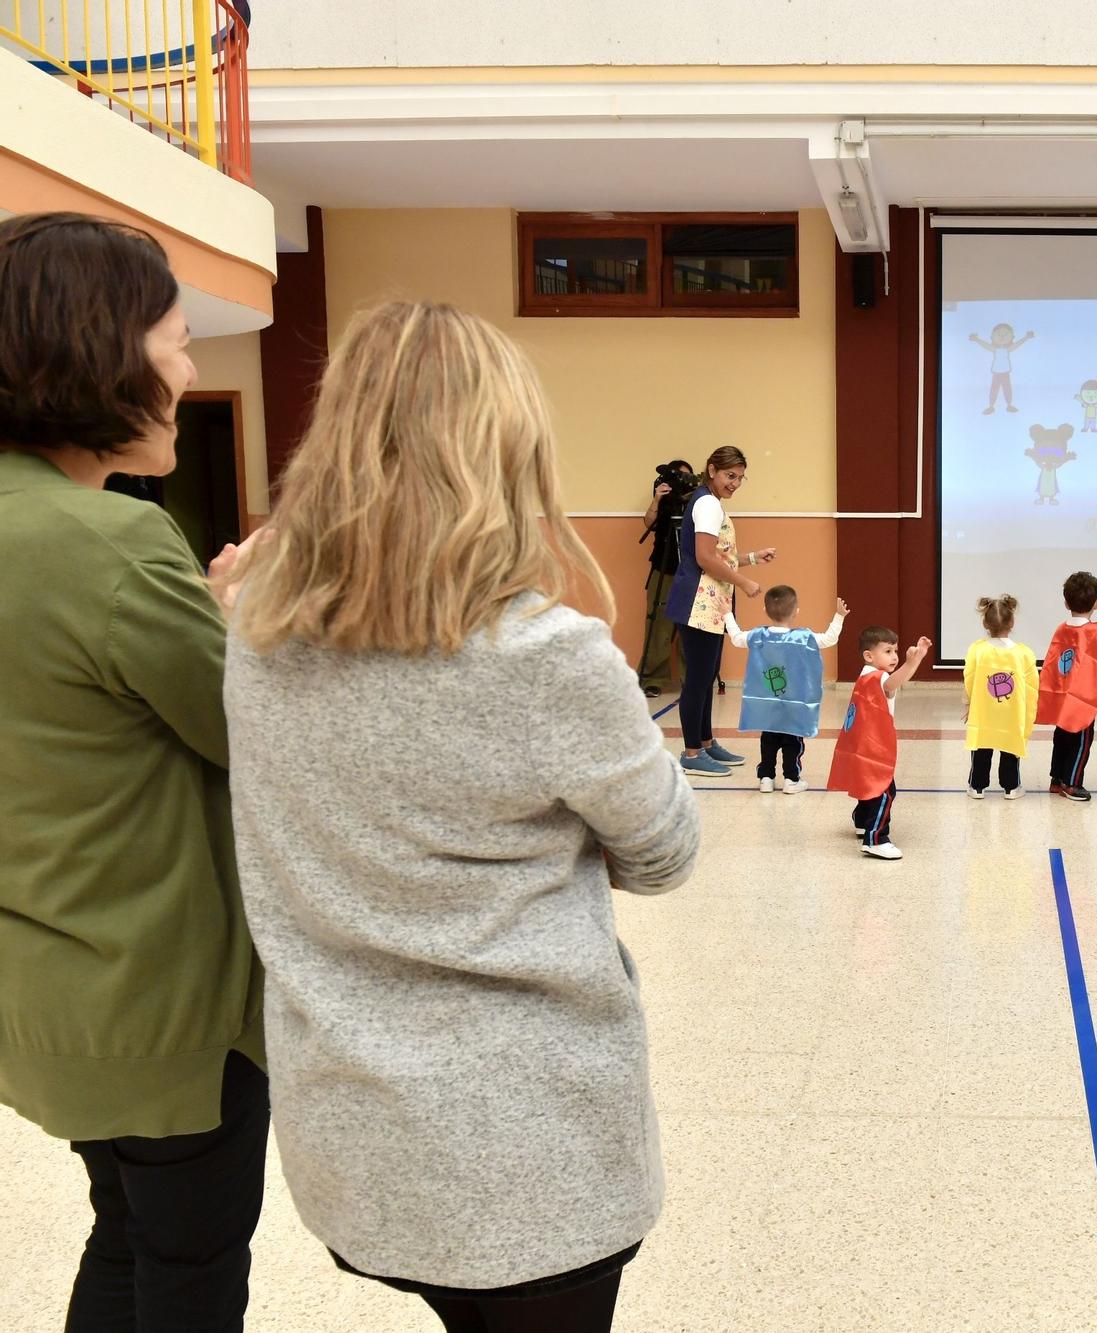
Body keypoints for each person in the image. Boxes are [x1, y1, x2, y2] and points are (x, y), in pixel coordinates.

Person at [225, 301, 700, 1331]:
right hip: (539, 1160)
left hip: (353, 1137)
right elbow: (664, 853)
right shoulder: (550, 657)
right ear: (508, 459)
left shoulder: (256, 636)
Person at [0, 212, 268, 1331]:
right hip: (164, 1005)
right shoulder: (110, 541)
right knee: (191, 1274)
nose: (191, 365)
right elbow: (248, 735)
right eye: (178, 339)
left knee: (127, 1235)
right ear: (104, 347)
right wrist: (244, 619)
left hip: (47, 983)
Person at [663, 445, 778, 776]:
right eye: (730, 476)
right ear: (712, 470)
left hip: (711, 604)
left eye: (740, 478)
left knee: (706, 676)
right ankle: (691, 751)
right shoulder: (708, 504)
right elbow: (705, 558)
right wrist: (744, 582)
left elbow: (719, 555)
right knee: (698, 680)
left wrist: (752, 558)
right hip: (698, 602)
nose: (735, 483)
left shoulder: (708, 501)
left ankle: (707, 742)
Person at [724, 586, 846, 794]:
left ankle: (766, 778)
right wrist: (839, 616)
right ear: (796, 610)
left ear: (765, 610)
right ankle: (791, 779)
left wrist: (727, 613)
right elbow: (829, 638)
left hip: (767, 707)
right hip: (794, 707)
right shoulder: (803, 638)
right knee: (792, 741)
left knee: (768, 740)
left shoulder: (759, 636)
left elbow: (735, 637)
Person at [829, 626, 931, 861]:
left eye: (895, 650)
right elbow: (893, 682)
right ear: (869, 656)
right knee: (884, 791)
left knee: (868, 787)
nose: (894, 656)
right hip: (873, 747)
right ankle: (876, 839)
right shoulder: (879, 676)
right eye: (887, 651)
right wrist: (913, 661)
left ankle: (863, 821)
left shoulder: (864, 675)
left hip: (860, 746)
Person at [1037, 571, 1097, 802]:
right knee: (1081, 739)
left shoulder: (1061, 629)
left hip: (1061, 695)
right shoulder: (1095, 631)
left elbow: (1052, 661)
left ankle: (1057, 779)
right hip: (1081, 700)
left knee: (1061, 736)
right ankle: (1072, 782)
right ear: (1096, 603)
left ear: (1066, 602)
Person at [963, 595, 1039, 799]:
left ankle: (977, 786)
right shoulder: (1024, 653)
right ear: (1012, 622)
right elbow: (1032, 685)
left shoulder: (977, 650)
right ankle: (1011, 787)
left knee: (981, 743)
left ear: (985, 623)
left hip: (984, 709)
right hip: (1012, 711)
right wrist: (1029, 711)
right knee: (1010, 744)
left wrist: (969, 702)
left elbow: (969, 677)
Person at [638, 458, 695, 696]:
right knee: (658, 623)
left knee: (692, 626)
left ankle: (691, 679)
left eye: (685, 477)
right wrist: (658, 498)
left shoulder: (700, 501)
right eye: (677, 477)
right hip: (664, 568)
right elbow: (648, 523)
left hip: (692, 571)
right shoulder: (664, 501)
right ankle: (652, 678)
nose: (681, 482)